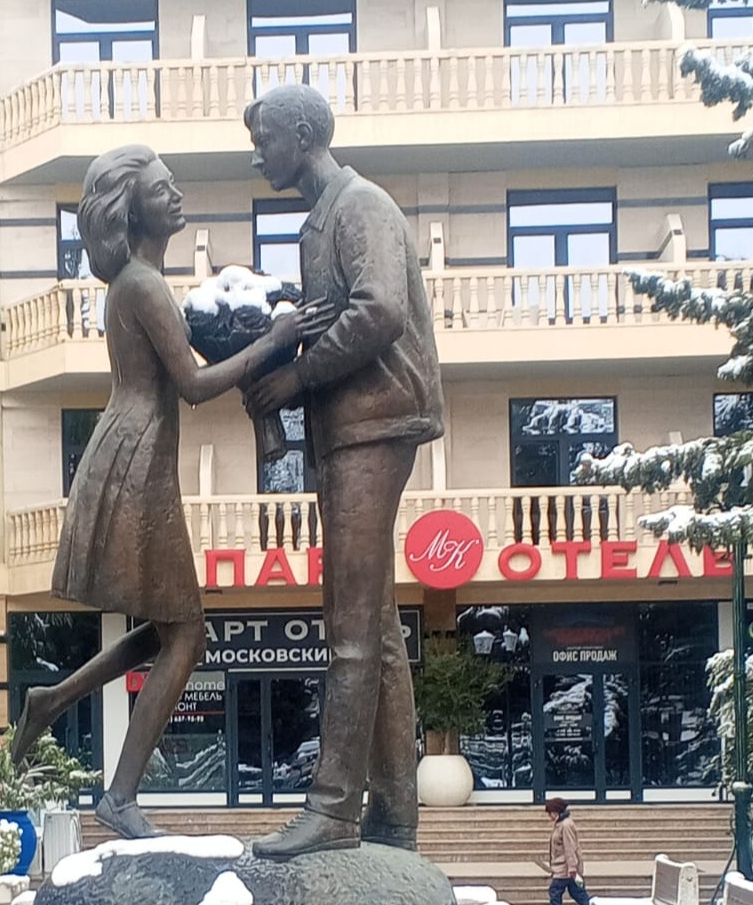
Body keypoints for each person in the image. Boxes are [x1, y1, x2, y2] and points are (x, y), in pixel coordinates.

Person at [9, 144, 331, 840]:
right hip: (136, 460)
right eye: (163, 188)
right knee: (187, 635)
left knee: (173, 628)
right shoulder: (142, 285)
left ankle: (52, 699)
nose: (177, 194)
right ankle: (119, 794)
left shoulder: (144, 281)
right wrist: (274, 341)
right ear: (133, 211)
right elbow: (191, 385)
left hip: (139, 454)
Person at [243, 84, 445, 859]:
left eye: (264, 138)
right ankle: (394, 814)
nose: (257, 155)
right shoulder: (321, 220)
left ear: (301, 133)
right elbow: (348, 314)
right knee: (378, 627)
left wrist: (296, 376)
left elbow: (379, 311)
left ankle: (334, 808)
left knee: (350, 624)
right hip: (349, 428)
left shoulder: (361, 205)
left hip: (375, 423)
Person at [546, 797, 591, 905]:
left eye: (550, 813)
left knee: (555, 892)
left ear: (556, 811)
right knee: (577, 893)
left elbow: (569, 847)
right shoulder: (560, 824)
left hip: (564, 868)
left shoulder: (566, 825)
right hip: (564, 868)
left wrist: (572, 867)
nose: (549, 816)